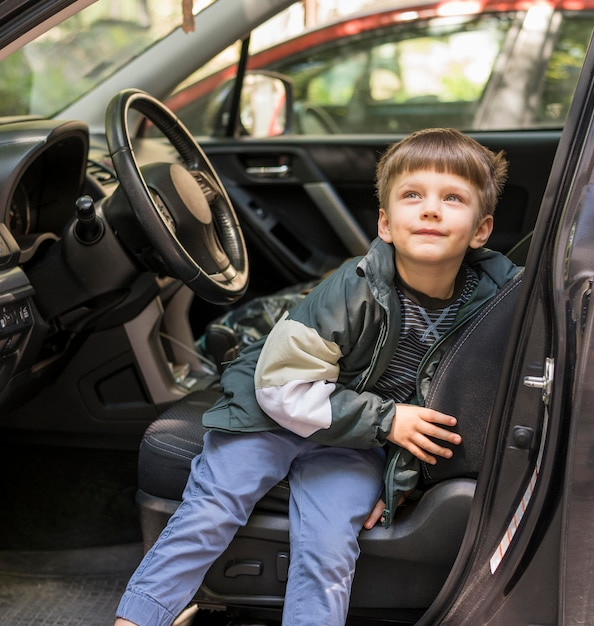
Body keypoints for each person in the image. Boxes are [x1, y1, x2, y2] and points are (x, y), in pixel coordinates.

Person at [114, 128, 520, 626]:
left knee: (329, 548)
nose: (431, 209)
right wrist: (388, 420)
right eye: (413, 195)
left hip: (355, 441)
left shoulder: (495, 301)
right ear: (386, 224)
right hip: (275, 414)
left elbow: (455, 406)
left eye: (452, 198)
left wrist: (400, 480)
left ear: (481, 230)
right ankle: (138, 618)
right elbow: (282, 388)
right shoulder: (351, 293)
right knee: (212, 507)